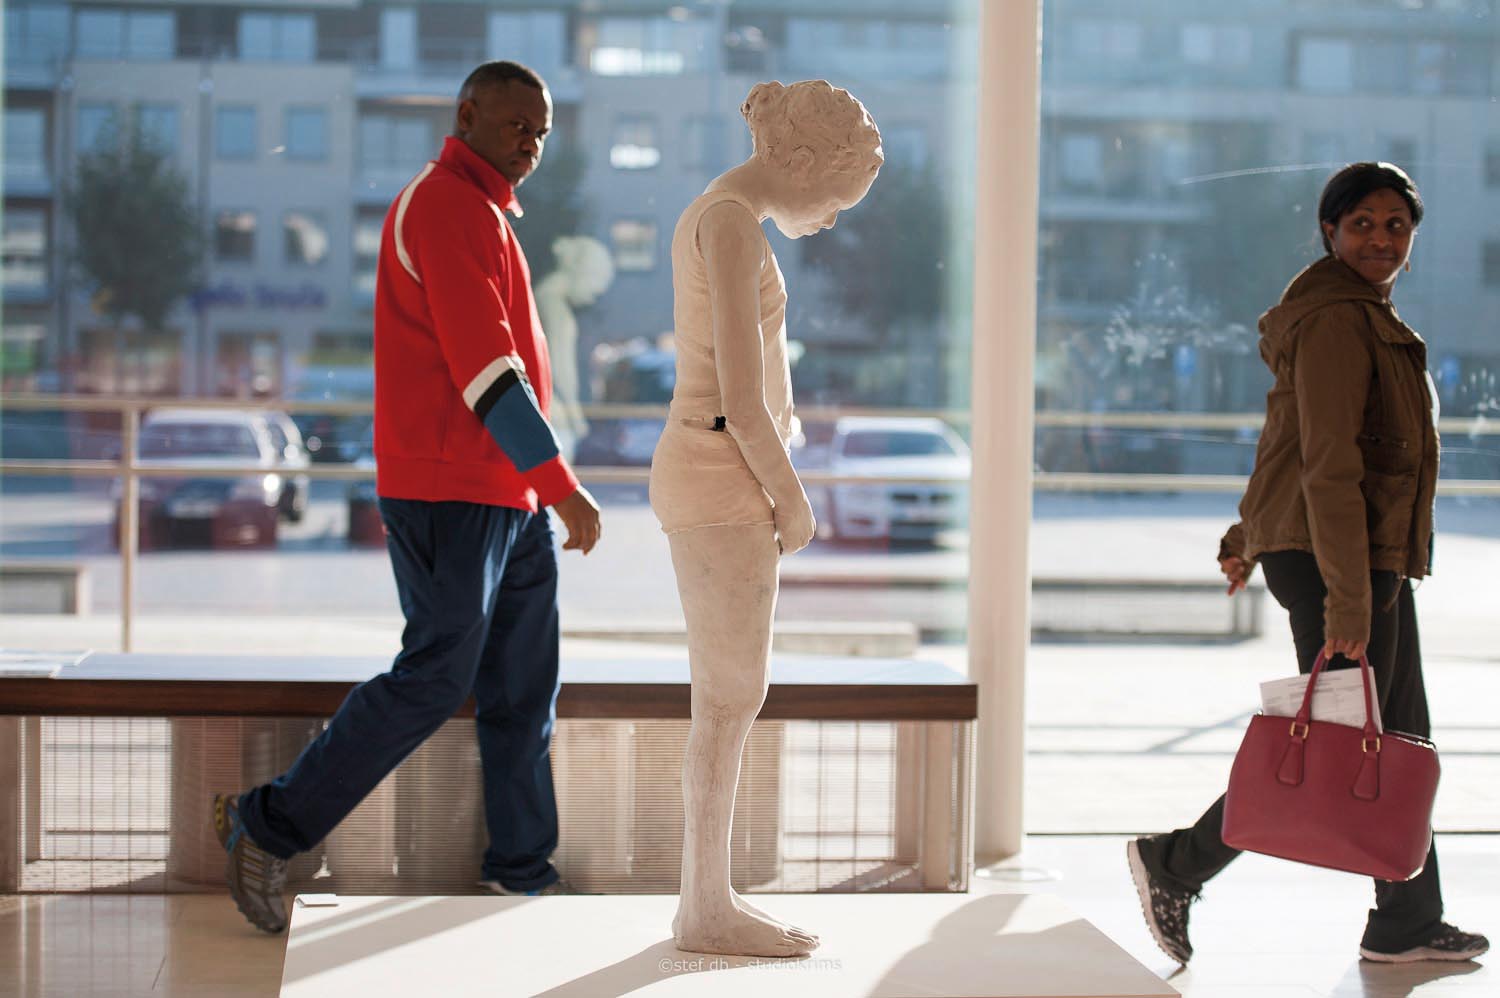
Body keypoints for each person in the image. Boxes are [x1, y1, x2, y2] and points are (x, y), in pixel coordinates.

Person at [213, 60, 602, 933]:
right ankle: (267, 827)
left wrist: (537, 492)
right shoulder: (445, 206)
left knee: (521, 690)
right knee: (435, 678)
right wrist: (562, 485)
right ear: (467, 114)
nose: (531, 144)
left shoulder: (492, 215)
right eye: (515, 126)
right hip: (451, 492)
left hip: (506, 500)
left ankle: (521, 872)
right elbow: (486, 372)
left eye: (541, 131)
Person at [1128, 162, 1488, 966]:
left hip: (1356, 555)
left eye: (1396, 225)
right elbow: (1328, 465)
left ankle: (1406, 920)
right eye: (1361, 222)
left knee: (1394, 740)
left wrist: (1245, 532)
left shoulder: (1359, 314)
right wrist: (1349, 603)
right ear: (1330, 230)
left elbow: (1285, 446)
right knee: (1329, 746)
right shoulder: (1335, 320)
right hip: (1344, 561)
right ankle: (1177, 862)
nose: (1380, 238)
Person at [649, 79, 882, 958]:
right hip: (722, 476)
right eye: (833, 200)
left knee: (730, 697)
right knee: (728, 698)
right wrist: (793, 500)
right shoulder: (731, 222)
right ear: (804, 164)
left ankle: (708, 896)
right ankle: (704, 904)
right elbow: (739, 403)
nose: (830, 219)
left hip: (719, 472)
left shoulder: (724, 215)